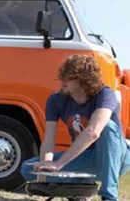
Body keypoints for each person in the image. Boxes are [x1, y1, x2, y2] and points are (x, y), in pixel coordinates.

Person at [21, 55, 130, 201]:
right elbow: (48, 141)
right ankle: (80, 190)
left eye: (68, 77)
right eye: (62, 76)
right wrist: (45, 172)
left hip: (116, 158)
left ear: (84, 79)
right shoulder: (55, 99)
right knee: (28, 169)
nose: (62, 81)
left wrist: (59, 164)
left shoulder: (105, 94)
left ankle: (109, 196)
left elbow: (94, 132)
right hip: (87, 158)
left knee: (107, 127)